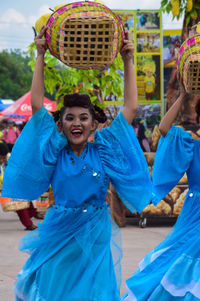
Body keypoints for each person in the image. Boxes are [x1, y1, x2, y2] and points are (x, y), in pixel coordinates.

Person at [2, 27, 152, 300]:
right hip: (58, 228)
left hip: (95, 230)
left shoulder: (104, 150)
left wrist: (128, 59)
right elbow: (37, 106)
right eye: (70, 118)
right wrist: (39, 54)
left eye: (84, 118)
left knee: (93, 292)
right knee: (56, 290)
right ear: (60, 124)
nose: (77, 123)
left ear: (94, 124)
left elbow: (130, 108)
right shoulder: (54, 152)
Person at [122, 74, 200, 300]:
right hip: (195, 215)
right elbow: (164, 129)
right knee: (180, 259)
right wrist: (183, 96)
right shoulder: (191, 145)